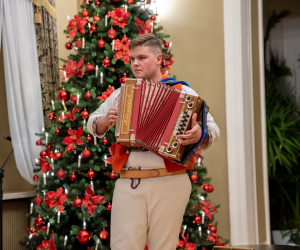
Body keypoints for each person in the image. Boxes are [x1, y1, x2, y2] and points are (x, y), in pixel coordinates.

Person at [87, 33, 220, 250]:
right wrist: (103, 121)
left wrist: (199, 134)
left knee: (164, 247)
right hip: (129, 181)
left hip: (171, 181)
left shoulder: (183, 92)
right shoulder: (122, 93)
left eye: (142, 57)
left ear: (159, 59)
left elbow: (212, 128)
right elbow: (92, 122)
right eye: (132, 59)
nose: (135, 64)